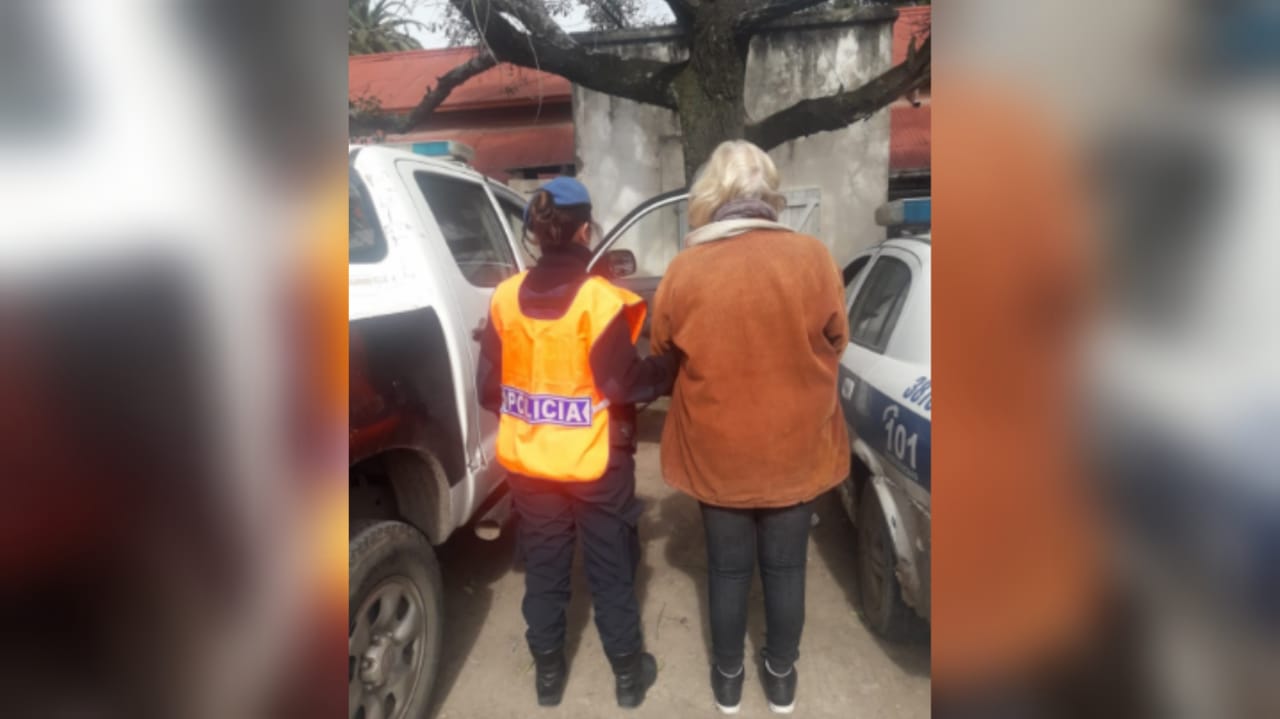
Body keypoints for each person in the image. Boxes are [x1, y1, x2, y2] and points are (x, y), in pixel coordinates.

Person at [650, 141, 850, 714]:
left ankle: (728, 680)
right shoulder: (813, 257)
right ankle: (781, 678)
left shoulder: (685, 268)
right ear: (769, 192)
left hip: (718, 446)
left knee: (727, 569)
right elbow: (838, 337)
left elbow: (662, 347)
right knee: (787, 568)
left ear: (713, 194)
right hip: (796, 445)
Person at [476, 177, 677, 709]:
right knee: (610, 568)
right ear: (585, 230)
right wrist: (669, 367)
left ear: (535, 233)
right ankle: (629, 678)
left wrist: (538, 409)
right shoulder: (599, 301)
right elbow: (625, 385)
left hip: (530, 462)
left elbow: (488, 389)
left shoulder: (504, 299)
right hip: (596, 462)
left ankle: (547, 677)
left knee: (544, 568)